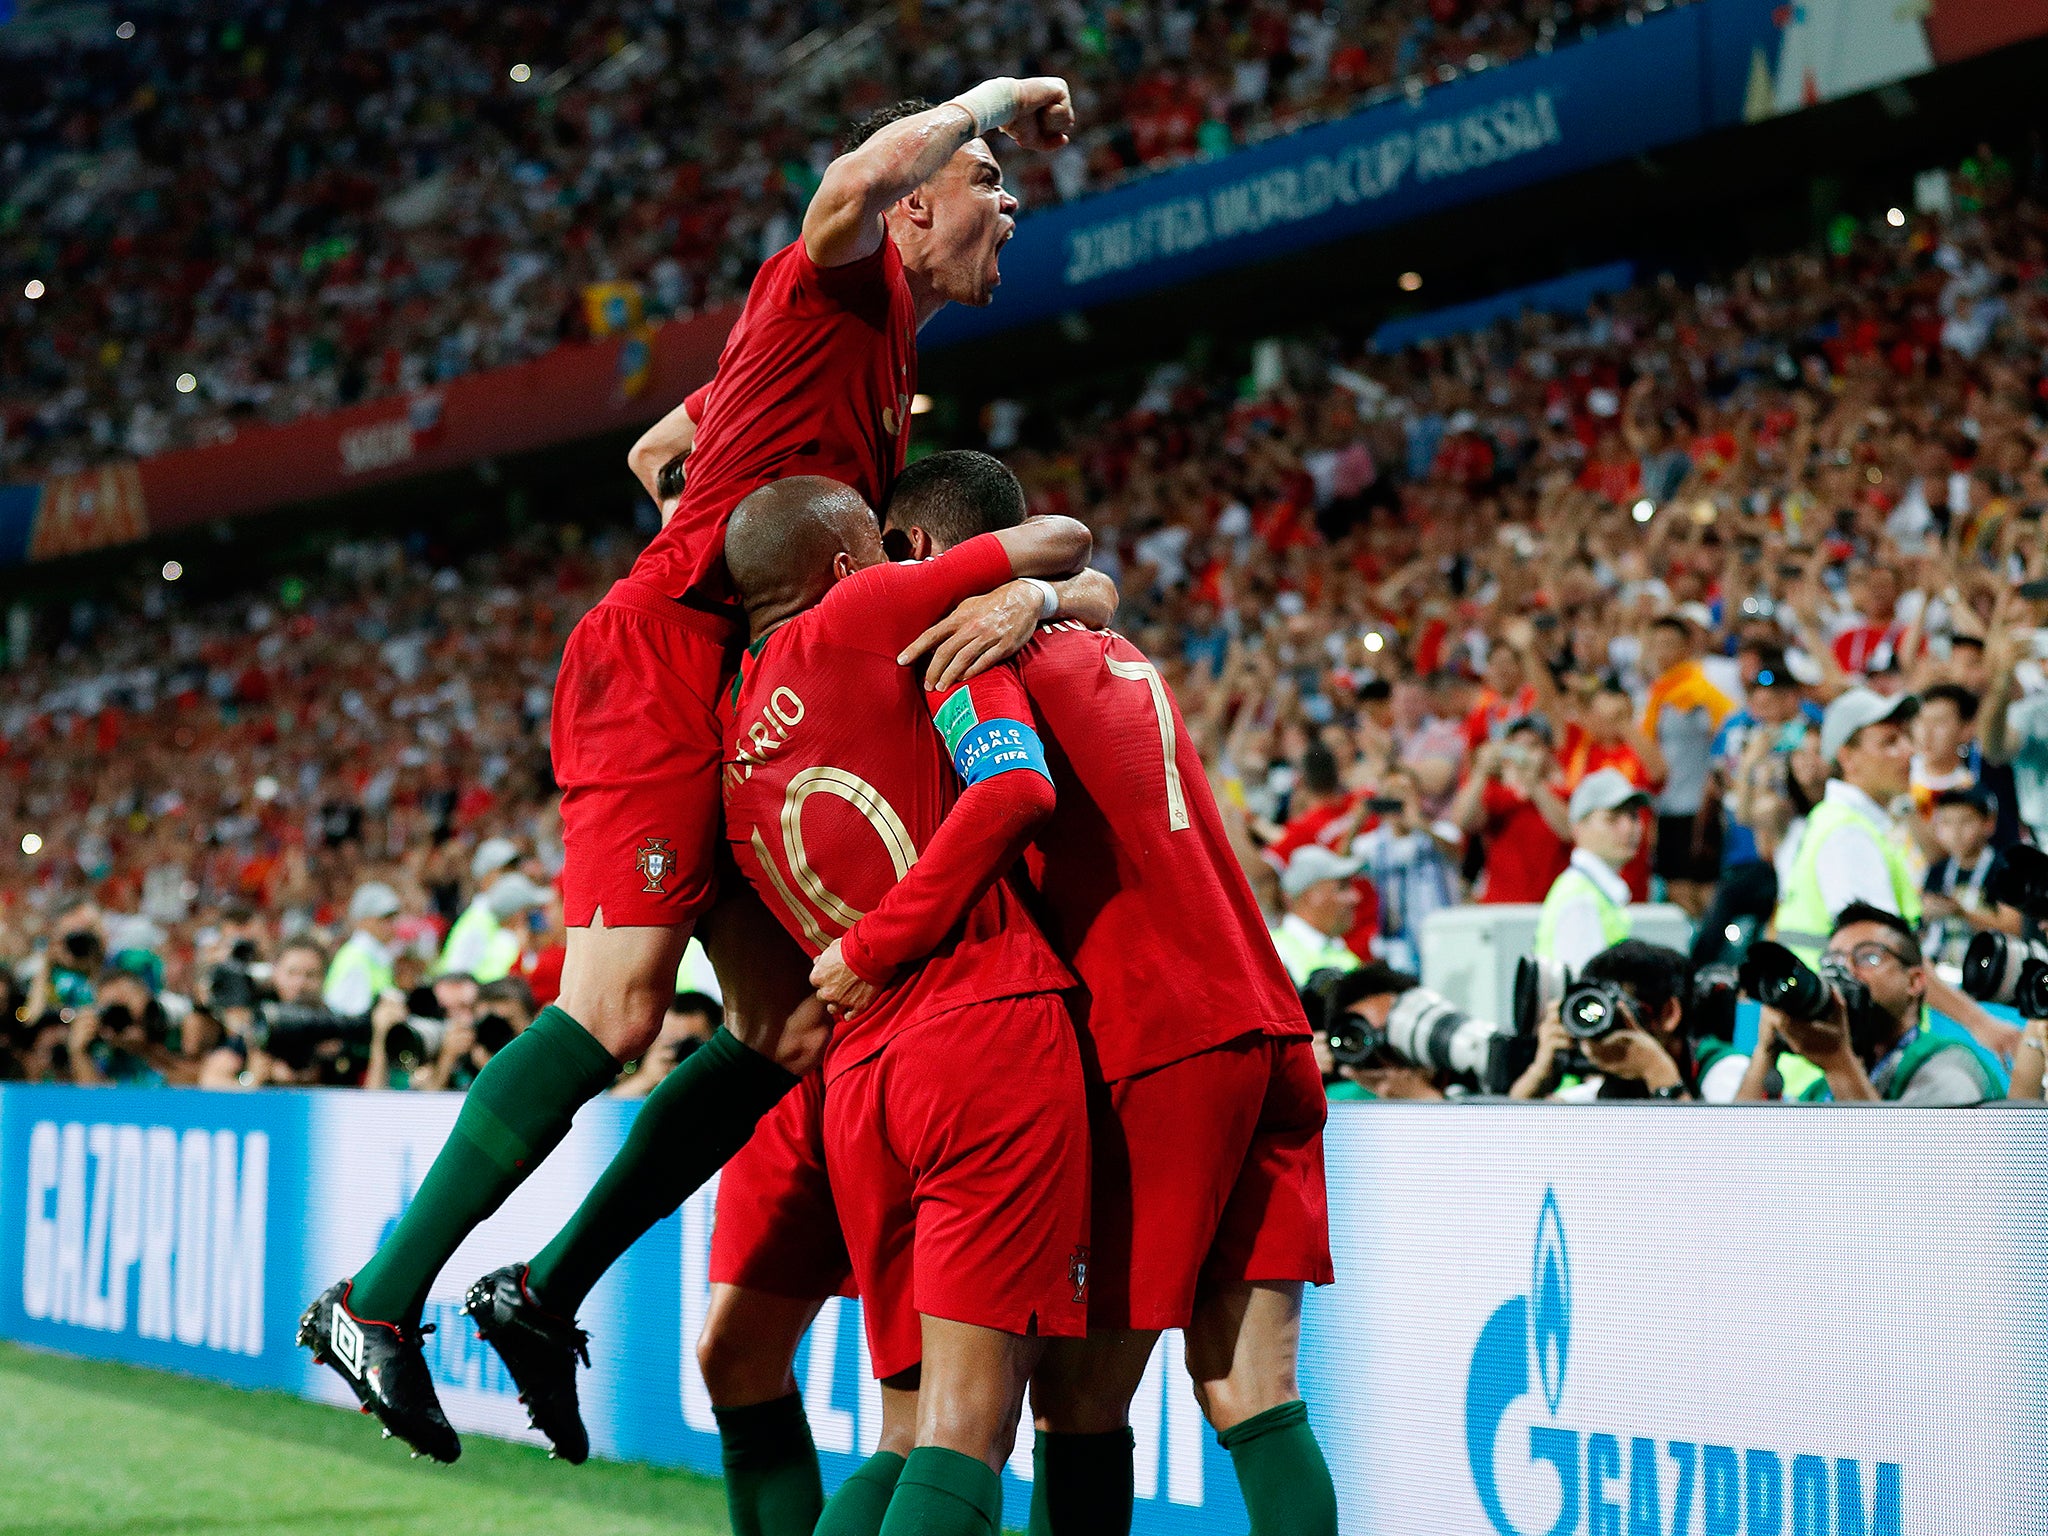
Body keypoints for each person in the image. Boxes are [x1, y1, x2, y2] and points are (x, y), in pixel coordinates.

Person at [302, 75, 1088, 1464]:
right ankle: (375, 1300)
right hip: (664, 660)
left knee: (787, 1031)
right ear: (918, 202)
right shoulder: (834, 282)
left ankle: (542, 1292)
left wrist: (727, 524)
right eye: (990, 182)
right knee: (612, 1015)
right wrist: (995, 96)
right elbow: (840, 189)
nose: (1013, 204)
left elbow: (658, 448)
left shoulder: (870, 341)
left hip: (733, 674)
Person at [885, 451, 1336, 1536]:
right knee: (1253, 1395)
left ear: (914, 554)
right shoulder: (1101, 639)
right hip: (1268, 1023)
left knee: (1076, 1402)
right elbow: (1090, 583)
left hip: (1154, 1039)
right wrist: (1048, 589)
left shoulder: (971, 655)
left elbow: (1011, 797)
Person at [719, 479, 1094, 1536]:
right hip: (980, 1032)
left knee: (906, 1432)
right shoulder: (862, 614)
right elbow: (1059, 541)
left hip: (860, 1090)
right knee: (968, 1429)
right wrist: (1029, 597)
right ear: (846, 568)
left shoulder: (728, 738)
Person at [1738, 904, 2001, 1105]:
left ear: (1915, 981)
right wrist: (1765, 1052)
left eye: (1868, 957)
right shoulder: (1821, 1091)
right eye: (1833, 962)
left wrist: (1837, 1062)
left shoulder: (1951, 1066)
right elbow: (1735, 1157)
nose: (1846, 972)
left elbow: (1902, 1171)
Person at [1510, 940, 1735, 1102]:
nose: (1603, 1023)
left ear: (1668, 1014)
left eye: (1620, 1011)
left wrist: (1657, 1071)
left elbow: (1715, 1158)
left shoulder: (1723, 1069)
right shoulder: (1605, 1086)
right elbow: (1511, 1135)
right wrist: (1541, 1072)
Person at [1640, 613, 1735, 917]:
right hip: (1666, 805)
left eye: (1670, 644)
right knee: (1675, 886)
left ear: (1686, 648)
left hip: (1696, 806)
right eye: (1656, 644)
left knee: (1701, 889)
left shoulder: (1698, 691)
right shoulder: (1658, 693)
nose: (1662, 652)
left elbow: (1728, 731)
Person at [1533, 769, 1649, 972]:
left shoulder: (1592, 889)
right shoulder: (1581, 899)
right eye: (1612, 819)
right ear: (1578, 828)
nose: (1629, 828)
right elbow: (1584, 990)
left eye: (1633, 817)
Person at [1448, 716, 1571, 903]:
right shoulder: (1495, 795)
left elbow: (1569, 832)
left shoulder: (1563, 794)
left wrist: (1535, 786)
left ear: (1549, 753)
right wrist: (1481, 772)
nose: (1523, 754)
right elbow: (1463, 822)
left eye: (1533, 746)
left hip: (1551, 906)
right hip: (1501, 908)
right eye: (1516, 746)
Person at [1920, 786, 2017, 969]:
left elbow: (2013, 928)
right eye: (1947, 823)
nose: (1955, 832)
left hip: (1990, 968)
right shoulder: (1937, 870)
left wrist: (1961, 913)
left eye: (1965, 822)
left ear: (1988, 824)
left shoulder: (2004, 869)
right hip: (1942, 965)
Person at [432, 838, 526, 979]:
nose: (511, 878)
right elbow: (453, 979)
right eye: (504, 872)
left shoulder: (510, 915)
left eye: (514, 871)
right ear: (485, 876)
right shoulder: (477, 920)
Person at [1271, 846, 1364, 985]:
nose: (1356, 897)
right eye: (1342, 887)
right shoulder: (1276, 952)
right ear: (1311, 896)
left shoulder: (1338, 948)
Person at [324, 881, 403, 1016]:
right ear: (364, 920)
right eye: (384, 919)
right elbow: (351, 1016)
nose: (391, 925)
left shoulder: (375, 954)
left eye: (392, 919)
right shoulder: (356, 957)